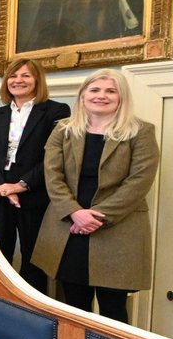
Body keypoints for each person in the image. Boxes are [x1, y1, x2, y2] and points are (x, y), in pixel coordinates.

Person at [31, 69, 159, 323]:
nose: (102, 96)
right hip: (69, 229)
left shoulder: (140, 131)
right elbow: (52, 175)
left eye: (111, 91)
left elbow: (139, 181)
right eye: (95, 90)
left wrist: (96, 217)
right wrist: (75, 213)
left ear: (121, 97)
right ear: (83, 95)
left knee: (114, 309)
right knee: (75, 307)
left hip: (116, 231)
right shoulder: (63, 130)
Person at [0, 58, 70, 294]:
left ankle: (29, 315)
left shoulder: (56, 111)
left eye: (25, 76)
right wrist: (2, 186)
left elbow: (53, 156)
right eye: (13, 76)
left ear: (37, 80)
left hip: (34, 193)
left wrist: (21, 185)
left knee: (33, 260)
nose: (18, 80)